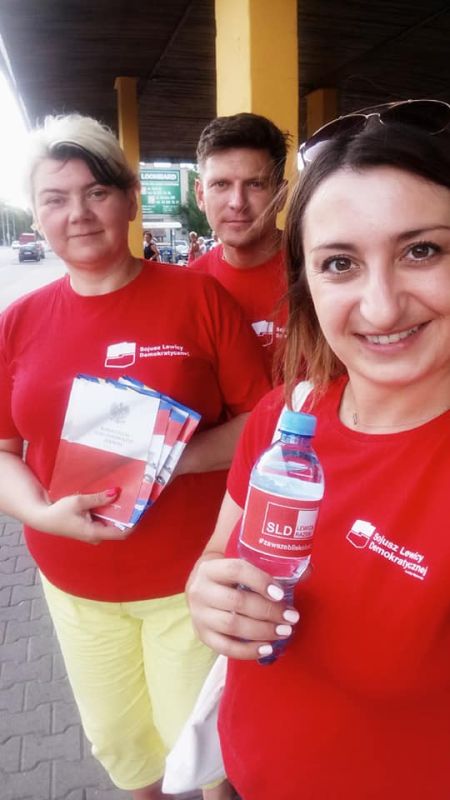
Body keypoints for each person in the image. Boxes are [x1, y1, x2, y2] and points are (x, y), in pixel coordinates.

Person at [0, 114, 271, 800]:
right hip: (74, 586)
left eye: (96, 192)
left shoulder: (198, 298)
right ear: (37, 213)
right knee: (122, 747)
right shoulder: (18, 322)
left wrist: (164, 460)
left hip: (189, 581)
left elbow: (260, 423)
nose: (78, 213)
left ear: (128, 200)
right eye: (56, 198)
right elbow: (3, 451)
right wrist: (40, 513)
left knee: (200, 752)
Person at [187, 99, 450, 800]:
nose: (382, 306)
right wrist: (206, 593)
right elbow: (218, 554)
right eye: (340, 263)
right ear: (306, 286)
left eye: (422, 250)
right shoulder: (285, 415)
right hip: (246, 775)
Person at [191, 112, 291, 374]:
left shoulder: (319, 274)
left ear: (281, 194)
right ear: (200, 195)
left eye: (255, 184)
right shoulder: (190, 287)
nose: (237, 202)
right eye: (221, 184)